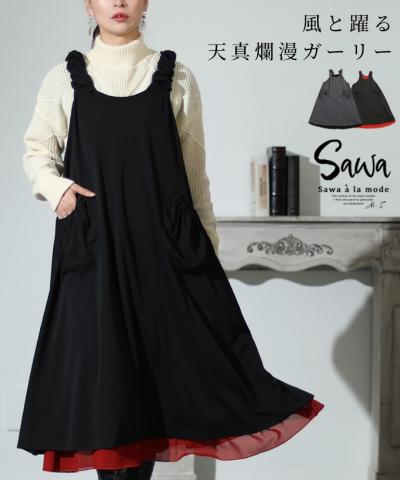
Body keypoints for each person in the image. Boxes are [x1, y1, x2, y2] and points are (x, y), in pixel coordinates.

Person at [17, 1, 325, 479]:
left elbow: (195, 175)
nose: (119, 3)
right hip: (95, 252)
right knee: (106, 389)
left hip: (164, 252)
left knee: (156, 390)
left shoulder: (175, 77)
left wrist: (207, 256)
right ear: (89, 5)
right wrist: (57, 190)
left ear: (146, 3)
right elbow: (37, 152)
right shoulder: (64, 79)